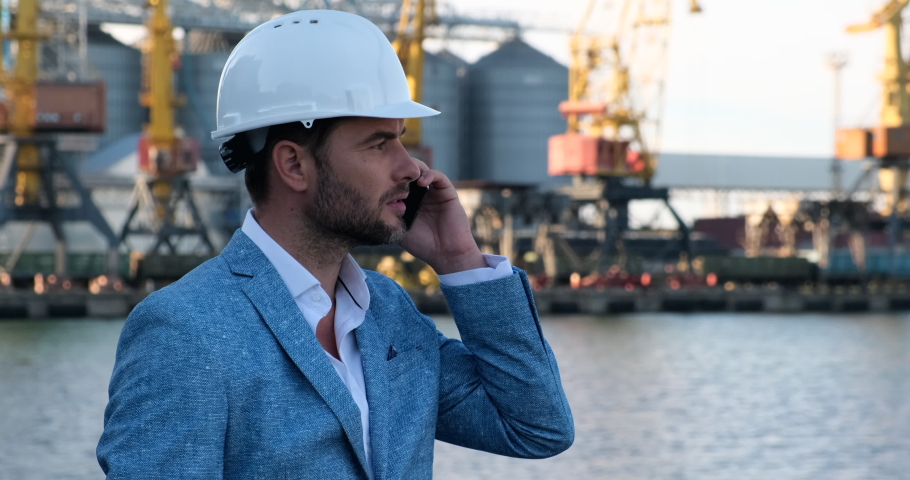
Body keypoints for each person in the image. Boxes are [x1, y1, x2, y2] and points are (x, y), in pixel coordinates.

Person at [97, 9, 573, 479]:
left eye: (401, 141)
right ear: (294, 165)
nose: (411, 168)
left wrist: (460, 262)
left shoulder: (386, 310)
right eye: (378, 144)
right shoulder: (185, 332)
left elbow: (534, 427)